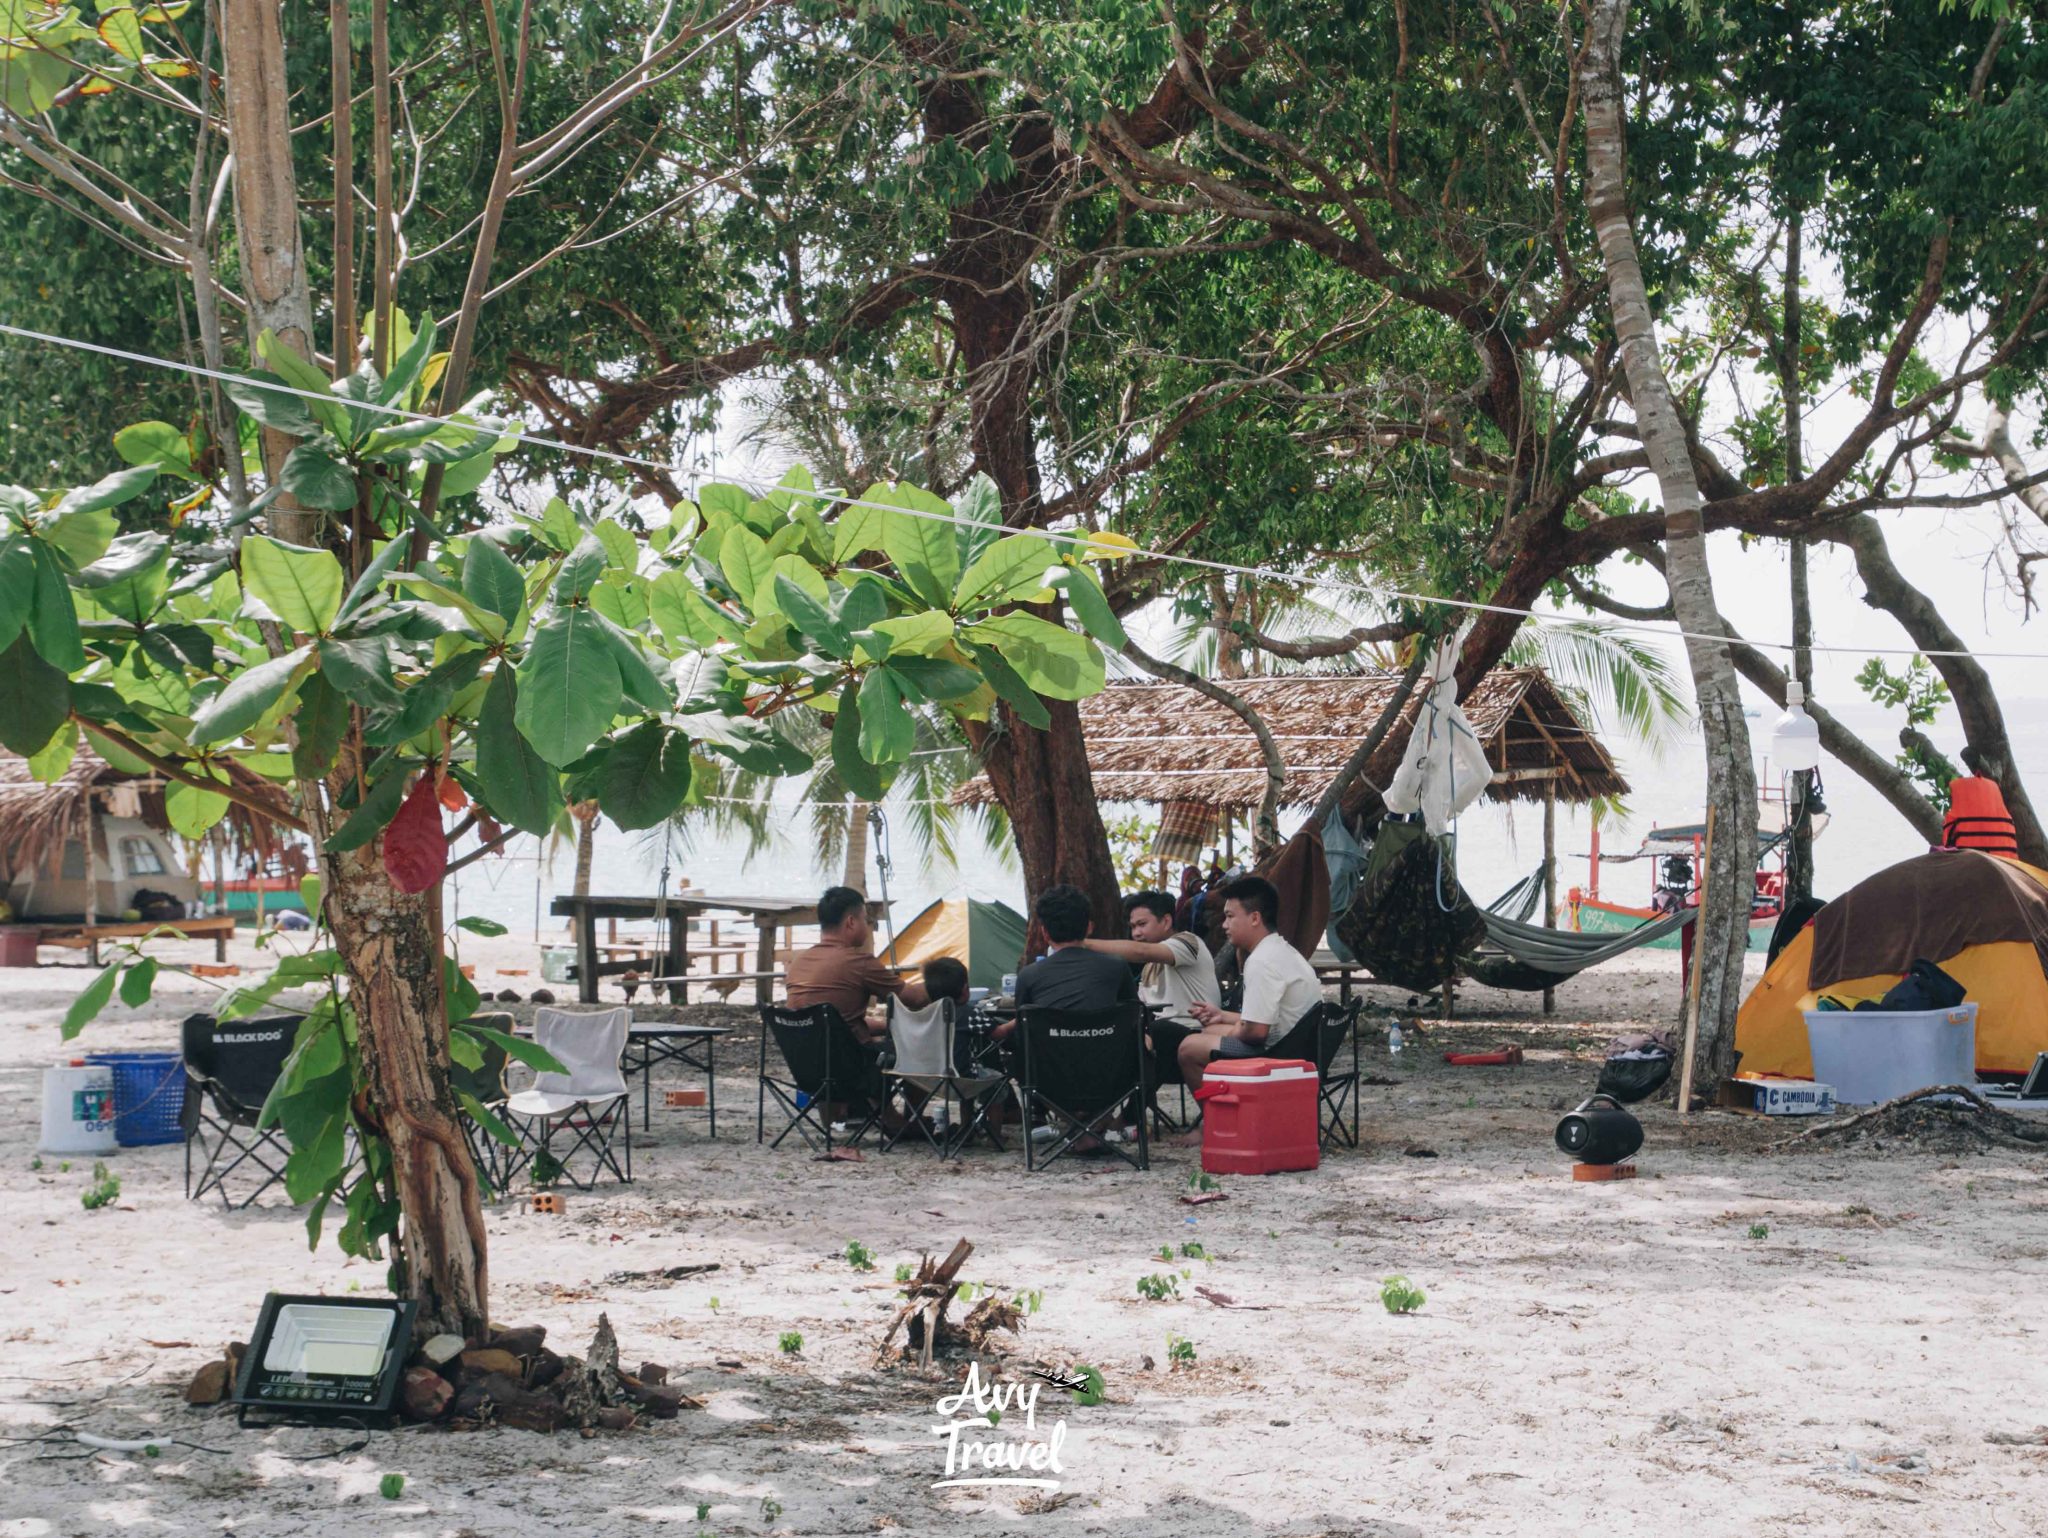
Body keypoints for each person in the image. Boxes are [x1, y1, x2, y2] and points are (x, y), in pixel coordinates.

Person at [1179, 874, 1321, 1089]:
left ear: (1255, 918)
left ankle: (1224, 1120)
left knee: (1188, 1048)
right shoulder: (1282, 950)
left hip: (1279, 1054)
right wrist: (1223, 1016)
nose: (1224, 924)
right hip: (1302, 1048)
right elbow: (1269, 1016)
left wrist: (1231, 1030)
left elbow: (1256, 1032)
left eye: (1229, 916)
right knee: (1208, 1031)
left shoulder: (1261, 961)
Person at [786, 886, 927, 1045]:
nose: (868, 926)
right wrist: (945, 980)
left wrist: (887, 1025)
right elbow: (915, 999)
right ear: (851, 922)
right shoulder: (859, 963)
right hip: (850, 1063)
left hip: (807, 1061)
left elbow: (840, 1023)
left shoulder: (798, 962)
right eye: (866, 920)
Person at [1082, 890, 1220, 1024]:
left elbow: (1141, 951)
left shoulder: (1188, 942)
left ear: (1166, 921)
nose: (1136, 933)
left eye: (1142, 924)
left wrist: (1082, 943)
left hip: (1195, 1030)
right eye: (1132, 927)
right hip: (1159, 1034)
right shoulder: (1149, 967)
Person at [1013, 884, 1137, 1012]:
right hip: (1106, 1031)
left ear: (1044, 932)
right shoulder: (1117, 967)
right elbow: (1133, 1013)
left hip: (1050, 1032)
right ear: (1089, 927)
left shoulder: (1028, 975)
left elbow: (1024, 1018)